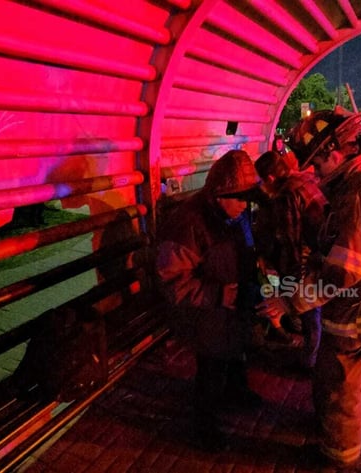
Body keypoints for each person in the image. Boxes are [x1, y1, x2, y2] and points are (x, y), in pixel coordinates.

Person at [258, 107, 361, 469]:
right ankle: (356, 431)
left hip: (354, 313)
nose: (311, 171)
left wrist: (289, 302)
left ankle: (337, 454)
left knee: (337, 384)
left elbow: (341, 274)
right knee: (356, 379)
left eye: (315, 162)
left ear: (333, 151)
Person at [155, 149, 263, 450]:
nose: (245, 205)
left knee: (238, 349)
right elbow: (171, 281)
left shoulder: (233, 215)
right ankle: (204, 425)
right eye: (240, 198)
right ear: (219, 194)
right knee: (212, 367)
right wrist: (217, 294)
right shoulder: (189, 223)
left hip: (231, 305)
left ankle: (236, 390)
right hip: (207, 312)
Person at [254, 150, 327, 369]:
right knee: (315, 310)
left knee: (309, 311)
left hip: (306, 261)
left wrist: (293, 281)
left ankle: (310, 361)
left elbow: (291, 241)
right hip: (321, 255)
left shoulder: (286, 196)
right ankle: (314, 353)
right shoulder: (305, 180)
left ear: (270, 179)